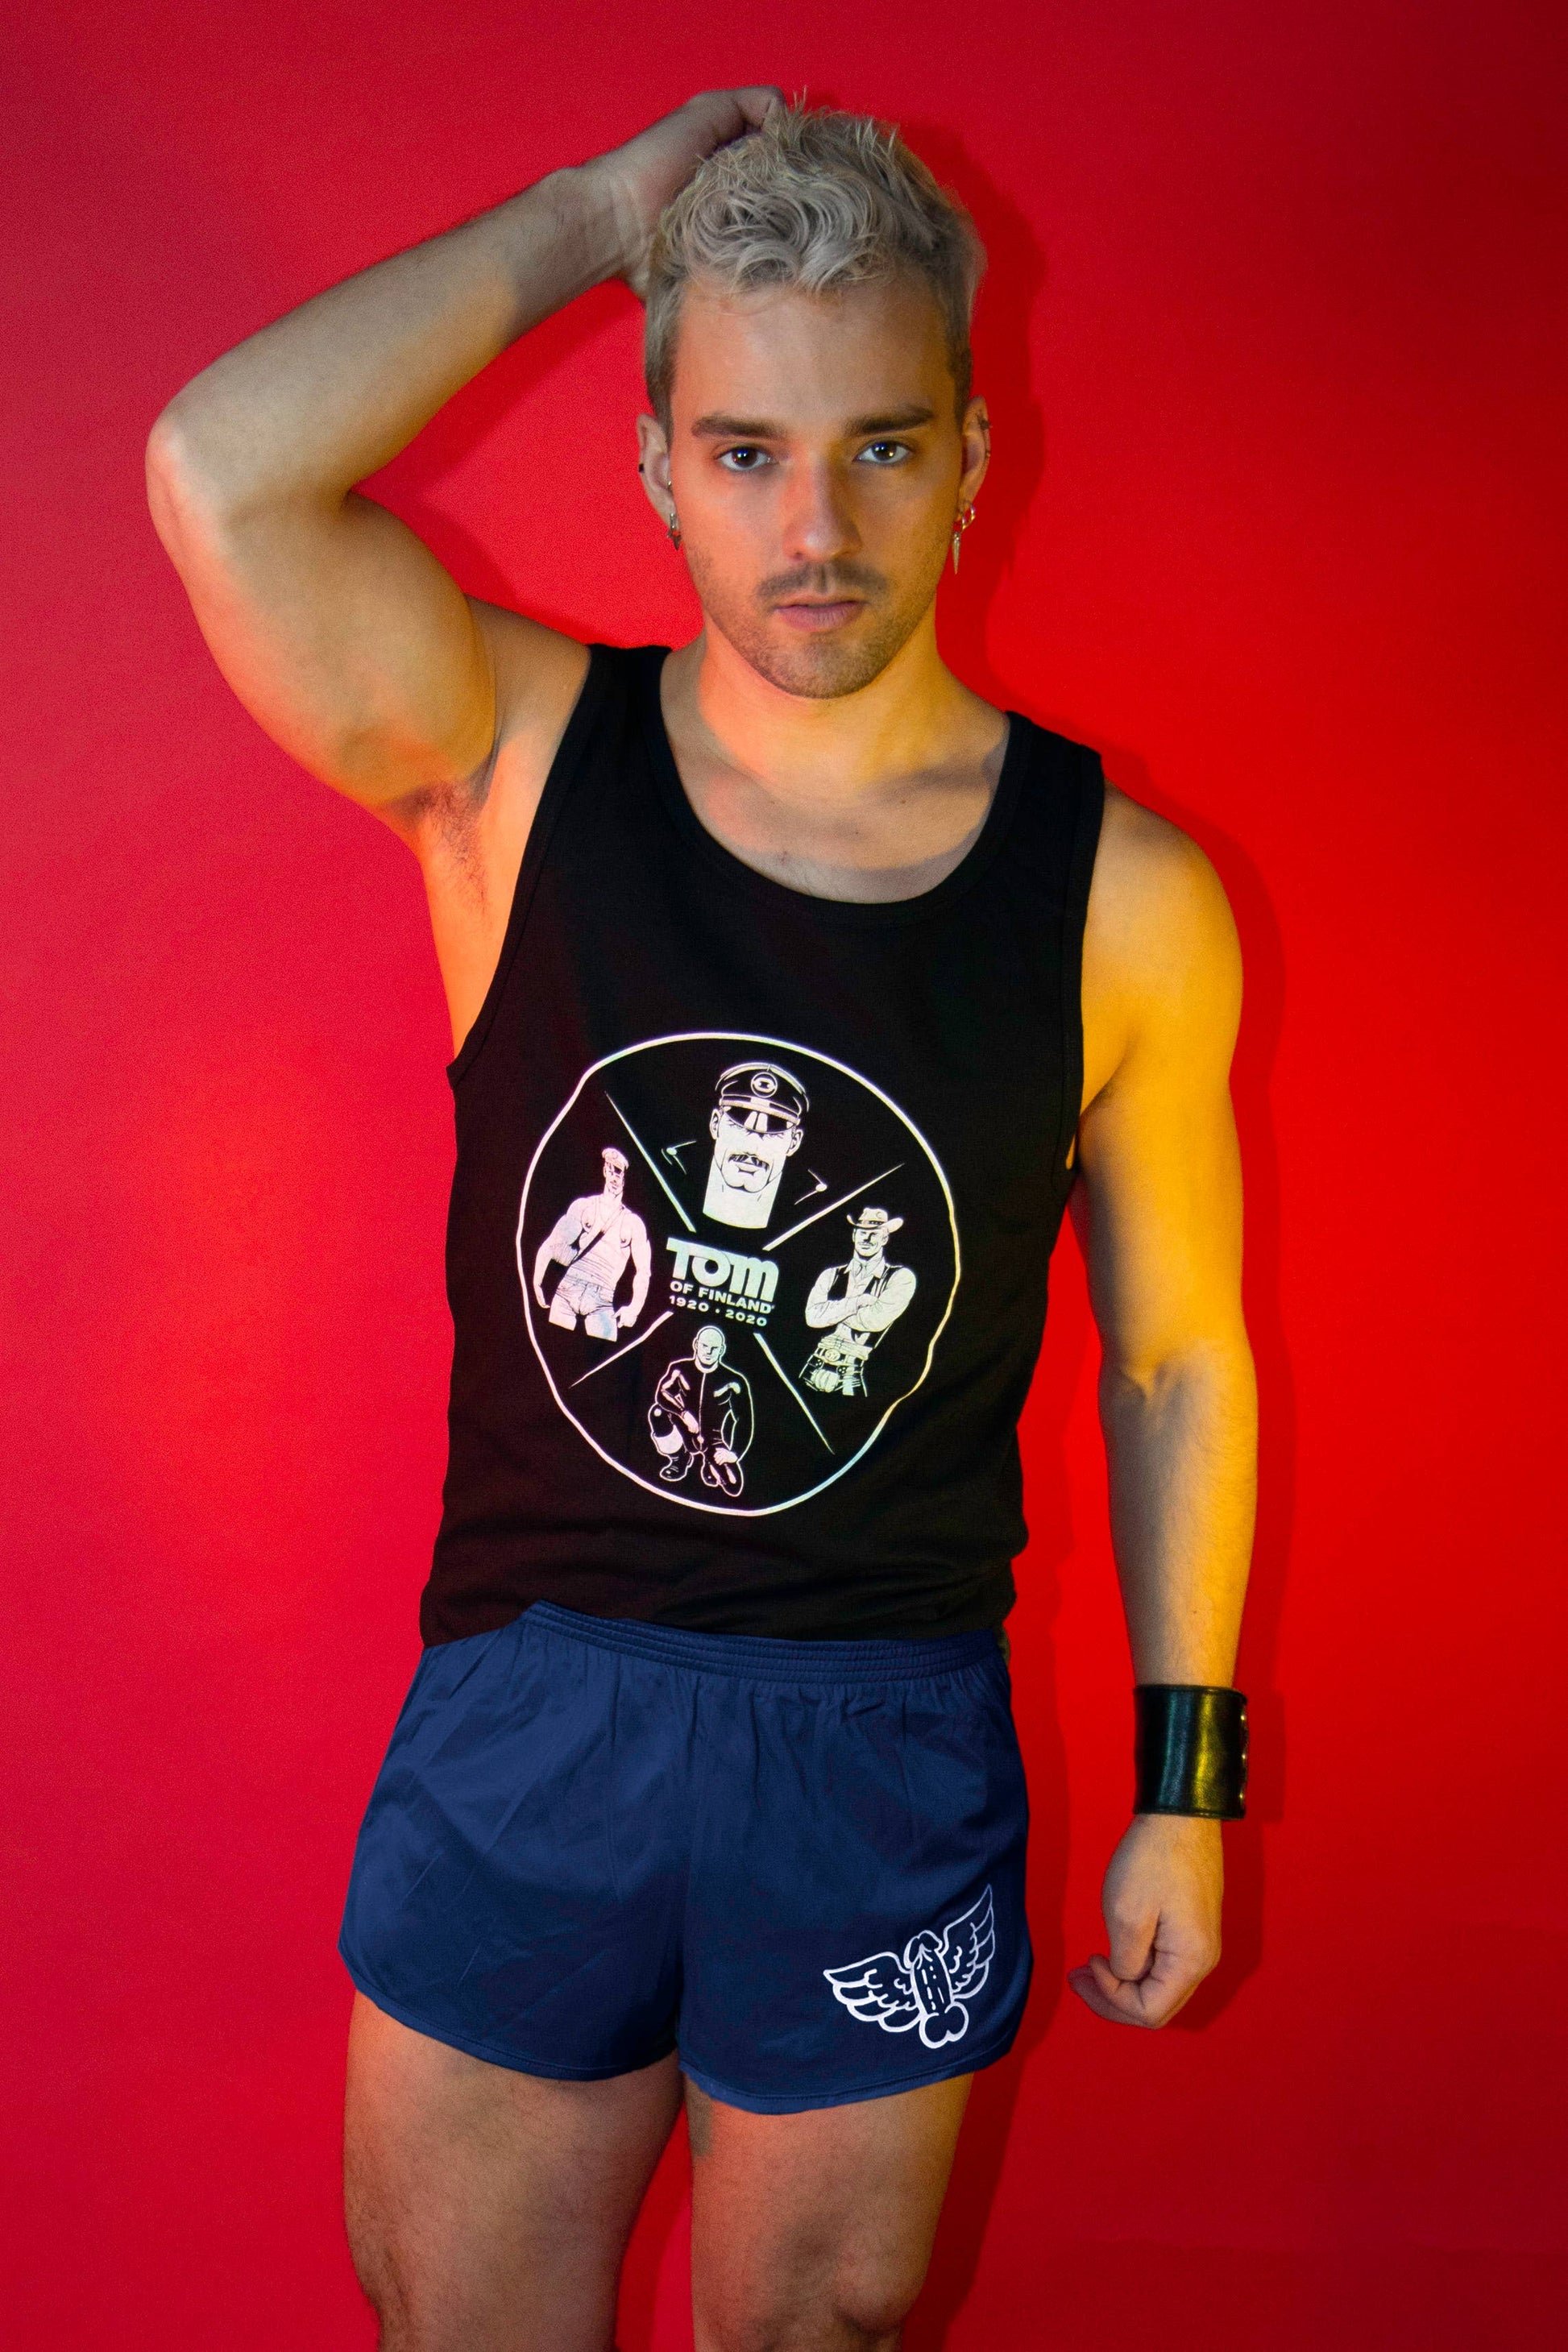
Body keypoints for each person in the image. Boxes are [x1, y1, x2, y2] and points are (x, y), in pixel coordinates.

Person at [147, 90, 1255, 2352]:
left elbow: (1175, 1357)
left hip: (883, 1735)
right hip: (538, 1700)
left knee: (820, 2334)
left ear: (970, 454)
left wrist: (1191, 1782)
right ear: (656, 466)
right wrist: (593, 217)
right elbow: (216, 471)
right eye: (744, 451)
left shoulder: (1125, 896)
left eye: (879, 446)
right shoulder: (513, 756)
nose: (814, 523)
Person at [533, 1145, 652, 1338]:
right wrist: (537, 1281)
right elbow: (551, 1244)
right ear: (605, 1170)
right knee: (551, 1341)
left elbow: (643, 1272)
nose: (614, 1177)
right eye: (611, 1170)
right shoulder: (584, 1206)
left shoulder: (633, 1223)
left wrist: (634, 1309)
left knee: (603, 1351)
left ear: (625, 1178)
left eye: (619, 1172)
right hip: (568, 1288)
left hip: (602, 1297)